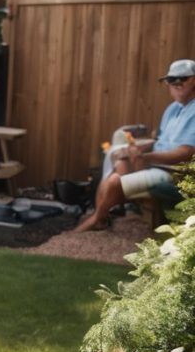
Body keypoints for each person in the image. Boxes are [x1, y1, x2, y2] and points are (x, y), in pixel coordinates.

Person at [75, 58, 195, 232]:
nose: (176, 84)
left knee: (115, 181)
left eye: (182, 78)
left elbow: (187, 152)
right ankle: (109, 214)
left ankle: (97, 218)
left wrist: (146, 157)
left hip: (176, 172)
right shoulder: (172, 109)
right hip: (158, 164)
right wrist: (140, 149)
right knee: (120, 162)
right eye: (171, 79)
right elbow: (160, 141)